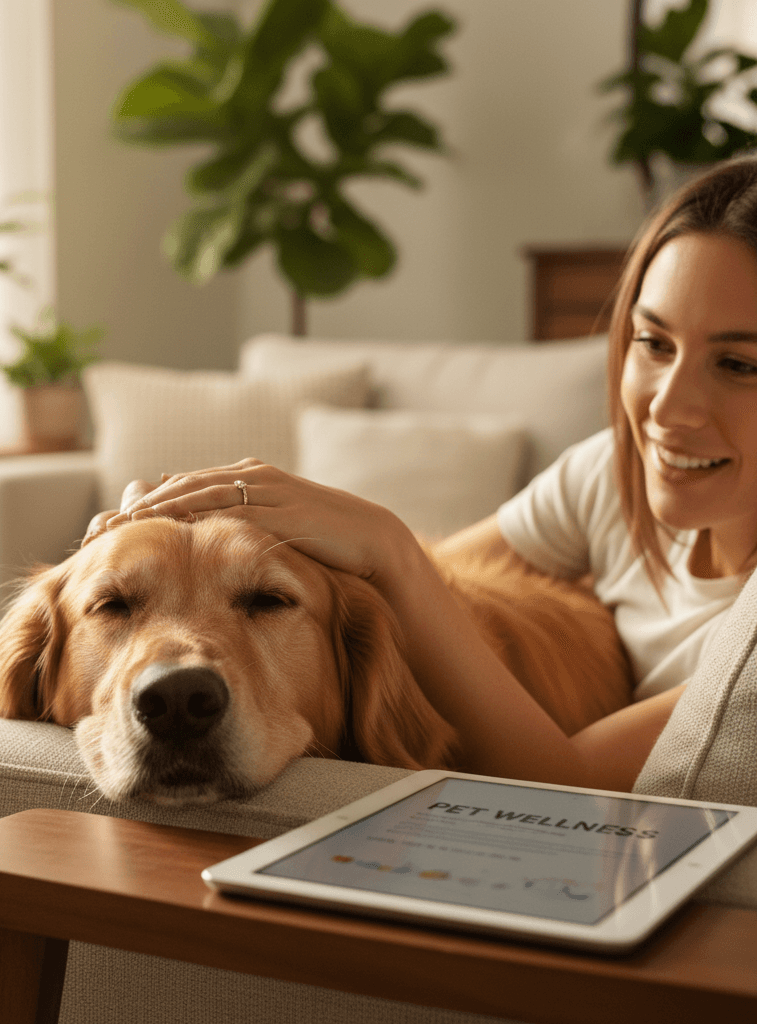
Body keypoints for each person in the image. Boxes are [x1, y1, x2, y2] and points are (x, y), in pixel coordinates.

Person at [100, 157, 757, 793]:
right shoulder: (614, 475)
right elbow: (422, 607)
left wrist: (387, 541)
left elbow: (568, 784)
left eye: (739, 365)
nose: (666, 409)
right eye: (655, 343)